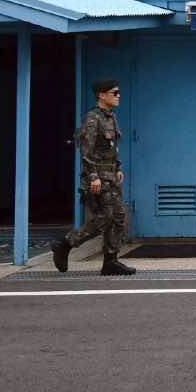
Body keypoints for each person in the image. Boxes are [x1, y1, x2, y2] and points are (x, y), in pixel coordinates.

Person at [50, 80, 135, 276]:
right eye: (114, 92)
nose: (118, 95)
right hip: (98, 178)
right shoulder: (92, 118)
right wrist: (93, 177)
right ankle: (65, 244)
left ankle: (110, 261)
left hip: (111, 176)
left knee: (119, 216)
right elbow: (86, 152)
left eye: (119, 92)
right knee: (104, 219)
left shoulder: (110, 117)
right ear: (101, 95)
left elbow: (110, 148)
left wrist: (118, 167)